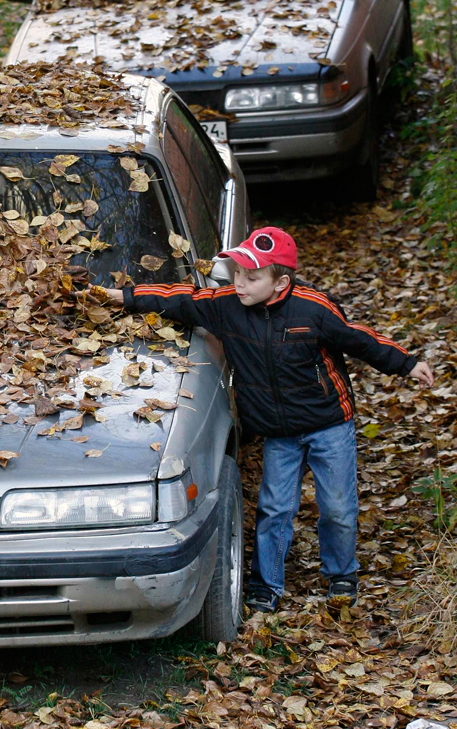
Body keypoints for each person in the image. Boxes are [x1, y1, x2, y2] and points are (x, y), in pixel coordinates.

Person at [82, 227, 434, 613]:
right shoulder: (227, 305)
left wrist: (408, 363)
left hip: (328, 424)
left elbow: (361, 340)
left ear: (280, 281)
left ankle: (341, 573)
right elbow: (181, 299)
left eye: (251, 277)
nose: (239, 283)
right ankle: (267, 583)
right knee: (274, 508)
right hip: (278, 432)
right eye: (236, 273)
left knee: (337, 507)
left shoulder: (314, 309)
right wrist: (123, 296)